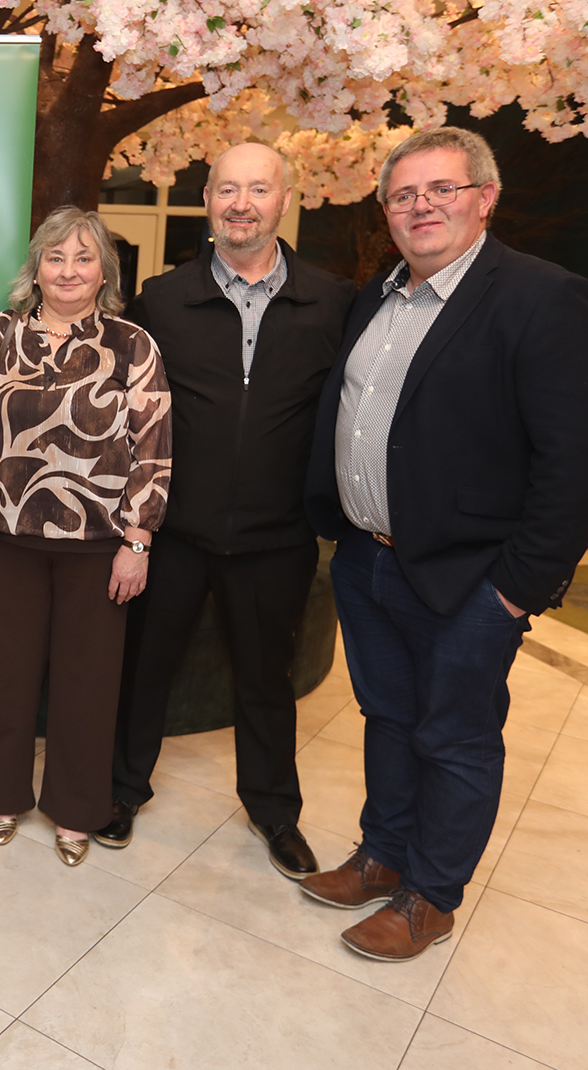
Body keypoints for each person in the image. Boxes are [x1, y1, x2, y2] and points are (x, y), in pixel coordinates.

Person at [303, 126, 588, 960]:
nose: (421, 206)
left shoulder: (542, 297)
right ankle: (383, 855)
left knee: (455, 739)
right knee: (388, 719)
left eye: (442, 189)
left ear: (485, 199)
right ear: (386, 211)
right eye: (404, 194)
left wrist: (518, 588)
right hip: (368, 558)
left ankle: (430, 896)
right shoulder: (378, 296)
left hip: (470, 579)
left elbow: (571, 459)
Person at [104, 143, 355, 879]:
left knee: (267, 682)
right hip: (174, 532)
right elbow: (128, 413)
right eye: (226, 189)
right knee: (144, 671)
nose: (241, 204)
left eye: (258, 189)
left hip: (278, 538)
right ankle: (122, 792)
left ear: (285, 200)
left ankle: (274, 811)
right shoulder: (162, 299)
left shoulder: (334, 301)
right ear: (208, 199)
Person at [0, 208, 171, 866]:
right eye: (55, 258)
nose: (68, 271)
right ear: (35, 269)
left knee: (87, 686)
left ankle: (76, 808)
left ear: (104, 272)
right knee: (8, 676)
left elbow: (154, 447)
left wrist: (138, 540)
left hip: (98, 544)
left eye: (83, 258)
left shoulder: (132, 344)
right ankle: (3, 795)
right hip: (12, 538)